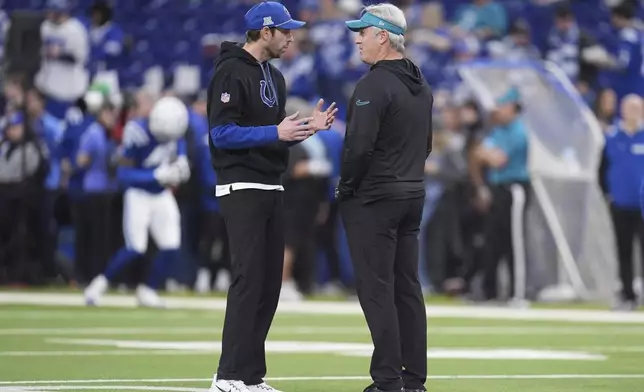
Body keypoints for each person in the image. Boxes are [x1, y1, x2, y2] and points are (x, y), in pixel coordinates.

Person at [206, 2, 337, 392]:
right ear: (265, 32)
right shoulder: (230, 71)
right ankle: (227, 375)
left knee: (269, 284)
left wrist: (304, 130)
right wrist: (275, 134)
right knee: (248, 280)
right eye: (285, 31)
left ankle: (250, 376)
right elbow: (221, 134)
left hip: (271, 184)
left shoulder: (275, 78)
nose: (292, 37)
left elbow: (275, 134)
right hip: (241, 185)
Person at [337, 4, 433, 392]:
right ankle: (414, 382)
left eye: (362, 31)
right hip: (412, 193)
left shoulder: (373, 85)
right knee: (407, 288)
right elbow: (425, 146)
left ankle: (387, 381)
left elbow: (358, 148)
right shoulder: (421, 83)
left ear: (382, 35)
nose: (357, 39)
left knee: (377, 290)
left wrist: (346, 187)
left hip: (376, 198)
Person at [83, 96, 191, 307]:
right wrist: (155, 176)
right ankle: (99, 284)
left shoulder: (176, 134)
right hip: (138, 194)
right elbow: (122, 174)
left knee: (171, 245)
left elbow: (180, 154)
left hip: (161, 195)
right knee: (135, 248)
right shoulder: (137, 132)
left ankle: (148, 290)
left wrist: (181, 166)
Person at [470, 87, 529, 302]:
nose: (499, 111)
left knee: (514, 242)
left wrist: (487, 154)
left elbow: (497, 159)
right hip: (497, 187)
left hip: (513, 188)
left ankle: (518, 292)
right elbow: (478, 153)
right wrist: (487, 154)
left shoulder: (518, 132)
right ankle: (490, 291)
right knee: (493, 240)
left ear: (513, 108)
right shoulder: (499, 131)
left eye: (503, 107)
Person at [605, 94, 644, 311]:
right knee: (624, 250)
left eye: (637, 108)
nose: (633, 113)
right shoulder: (612, 136)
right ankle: (627, 295)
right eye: (629, 108)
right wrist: (608, 194)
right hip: (621, 203)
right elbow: (602, 167)